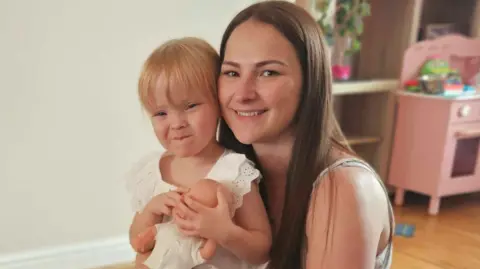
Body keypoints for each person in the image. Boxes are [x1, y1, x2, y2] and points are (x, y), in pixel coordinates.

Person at [173, 1, 395, 269]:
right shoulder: (233, 173)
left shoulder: (346, 188)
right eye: (232, 72)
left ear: (310, 81)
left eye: (268, 72)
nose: (243, 94)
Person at [126, 37, 271, 269]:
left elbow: (261, 251)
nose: (176, 123)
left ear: (218, 104)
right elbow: (136, 240)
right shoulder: (153, 171)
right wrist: (152, 210)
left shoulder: (233, 171)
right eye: (161, 113)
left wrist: (224, 231)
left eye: (190, 106)